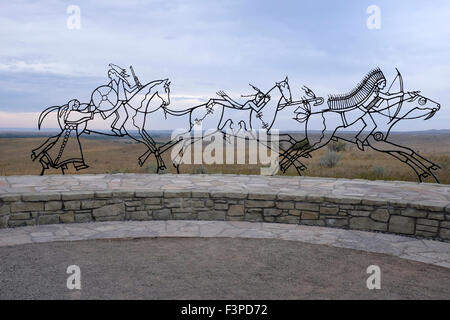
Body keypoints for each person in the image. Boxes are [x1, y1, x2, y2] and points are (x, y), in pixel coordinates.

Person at [327, 68, 406, 150]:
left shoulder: (377, 93)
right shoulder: (375, 92)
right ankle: (335, 135)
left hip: (364, 111)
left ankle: (360, 140)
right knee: (345, 124)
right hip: (359, 111)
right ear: (378, 83)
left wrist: (382, 98)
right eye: (383, 83)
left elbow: (376, 106)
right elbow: (388, 97)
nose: (384, 85)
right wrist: (400, 94)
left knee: (371, 125)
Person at [31, 99, 94, 175]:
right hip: (69, 134)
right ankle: (78, 164)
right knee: (71, 148)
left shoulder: (70, 112)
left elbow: (82, 118)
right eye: (77, 105)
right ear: (73, 106)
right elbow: (85, 115)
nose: (78, 107)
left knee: (61, 150)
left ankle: (46, 160)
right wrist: (92, 111)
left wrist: (89, 112)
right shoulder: (73, 113)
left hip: (70, 133)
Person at [100, 64, 139, 135]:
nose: (109, 76)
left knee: (124, 116)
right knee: (121, 115)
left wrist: (137, 86)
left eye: (110, 74)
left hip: (121, 100)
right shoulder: (112, 83)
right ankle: (115, 127)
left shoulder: (121, 81)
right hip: (116, 101)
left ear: (114, 74)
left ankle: (115, 128)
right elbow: (107, 91)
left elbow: (129, 90)